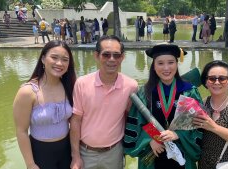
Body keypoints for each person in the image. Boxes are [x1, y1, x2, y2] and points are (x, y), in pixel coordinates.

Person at [124, 44, 203, 169]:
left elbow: (199, 124)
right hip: (153, 153)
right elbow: (137, 122)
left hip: (183, 152)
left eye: (171, 62)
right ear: (154, 67)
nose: (166, 68)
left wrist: (178, 135)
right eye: (160, 63)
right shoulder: (145, 92)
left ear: (177, 64)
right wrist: (151, 139)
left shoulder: (189, 91)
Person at [70, 35, 138, 169]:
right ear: (96, 56)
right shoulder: (82, 84)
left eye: (116, 55)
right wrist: (76, 156)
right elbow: (76, 120)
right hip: (85, 152)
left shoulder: (131, 86)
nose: (111, 59)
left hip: (114, 152)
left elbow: (131, 118)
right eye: (106, 55)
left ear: (122, 57)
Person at [13, 40, 77, 169]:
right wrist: (30, 164)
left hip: (66, 150)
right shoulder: (28, 92)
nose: (59, 63)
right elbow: (21, 131)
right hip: (40, 153)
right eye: (54, 57)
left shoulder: (70, 86)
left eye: (65, 59)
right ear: (43, 59)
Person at [193, 60, 228, 169]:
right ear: (206, 82)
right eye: (212, 78)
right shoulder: (204, 103)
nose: (217, 82)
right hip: (205, 162)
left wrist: (214, 127)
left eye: (222, 79)